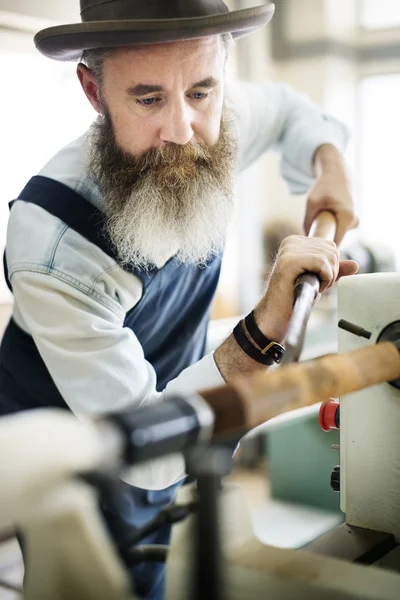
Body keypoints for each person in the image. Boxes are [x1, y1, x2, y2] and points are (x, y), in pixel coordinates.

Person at [0, 1, 359, 598]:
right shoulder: (55, 243)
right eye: (147, 99)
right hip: (83, 442)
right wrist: (264, 326)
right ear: (93, 89)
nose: (181, 130)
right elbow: (149, 456)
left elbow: (297, 113)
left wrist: (330, 164)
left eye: (201, 91)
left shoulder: (214, 115)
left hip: (182, 399)